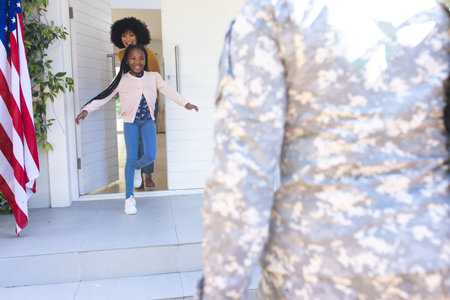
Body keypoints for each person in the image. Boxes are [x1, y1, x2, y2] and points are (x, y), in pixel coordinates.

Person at [198, 0, 450, 299]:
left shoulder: (273, 12)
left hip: (312, 271)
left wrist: (220, 291)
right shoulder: (433, 14)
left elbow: (242, 169)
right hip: (428, 263)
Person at [76, 44, 198, 215]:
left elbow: (168, 90)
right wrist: (87, 109)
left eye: (141, 58)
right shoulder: (121, 79)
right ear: (127, 60)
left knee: (150, 155)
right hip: (130, 123)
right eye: (133, 58)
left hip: (148, 122)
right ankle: (129, 199)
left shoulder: (153, 76)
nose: (137, 62)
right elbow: (105, 95)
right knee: (131, 157)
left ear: (145, 60)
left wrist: (185, 103)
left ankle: (137, 168)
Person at [111, 17, 160, 189]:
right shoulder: (121, 54)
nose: (127, 39)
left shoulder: (150, 54)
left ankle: (148, 175)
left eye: (131, 35)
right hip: (131, 103)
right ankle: (137, 172)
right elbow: (124, 77)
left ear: (138, 36)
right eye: (124, 36)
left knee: (146, 143)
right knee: (134, 141)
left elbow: (156, 81)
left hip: (148, 103)